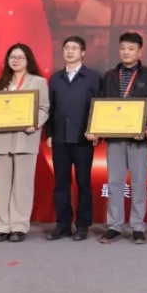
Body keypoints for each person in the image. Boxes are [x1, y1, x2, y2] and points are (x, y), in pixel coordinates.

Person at [96, 32, 147, 245]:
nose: (126, 52)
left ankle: (137, 226)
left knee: (139, 182)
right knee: (114, 182)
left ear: (140, 51)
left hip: (139, 138)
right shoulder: (109, 76)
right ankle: (114, 225)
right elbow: (102, 105)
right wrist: (97, 128)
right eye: (123, 48)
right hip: (115, 138)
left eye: (131, 49)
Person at [0, 44, 50, 243]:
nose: (15, 61)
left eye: (20, 57)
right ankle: (2, 227)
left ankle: (19, 226)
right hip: (1, 138)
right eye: (12, 57)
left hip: (26, 137)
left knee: (22, 185)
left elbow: (44, 108)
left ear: (28, 60)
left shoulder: (38, 81)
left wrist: (35, 123)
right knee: (2, 185)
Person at [45, 35, 102, 241]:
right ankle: (63, 224)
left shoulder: (93, 78)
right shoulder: (55, 78)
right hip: (60, 138)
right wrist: (49, 134)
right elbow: (50, 108)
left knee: (83, 183)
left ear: (83, 52)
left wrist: (96, 130)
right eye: (66, 48)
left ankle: (82, 225)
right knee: (61, 184)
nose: (69, 51)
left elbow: (99, 107)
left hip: (83, 138)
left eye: (74, 48)